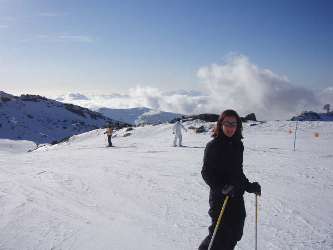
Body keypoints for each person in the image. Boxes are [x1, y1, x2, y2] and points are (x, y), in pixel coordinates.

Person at [198, 109, 261, 250]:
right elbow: (206, 173)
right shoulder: (213, 146)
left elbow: (238, 172)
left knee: (235, 234)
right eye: (227, 123)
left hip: (237, 197)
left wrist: (249, 186)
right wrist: (222, 188)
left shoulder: (238, 145)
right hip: (221, 198)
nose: (231, 127)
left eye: (234, 123)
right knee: (218, 237)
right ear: (221, 124)